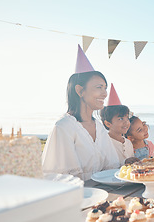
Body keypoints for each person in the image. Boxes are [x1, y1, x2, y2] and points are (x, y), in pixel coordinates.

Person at [42, 45, 119, 181]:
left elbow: (111, 167)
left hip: (105, 194)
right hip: (77, 197)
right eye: (99, 87)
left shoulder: (99, 127)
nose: (105, 93)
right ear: (79, 91)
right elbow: (59, 178)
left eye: (105, 88)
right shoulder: (64, 127)